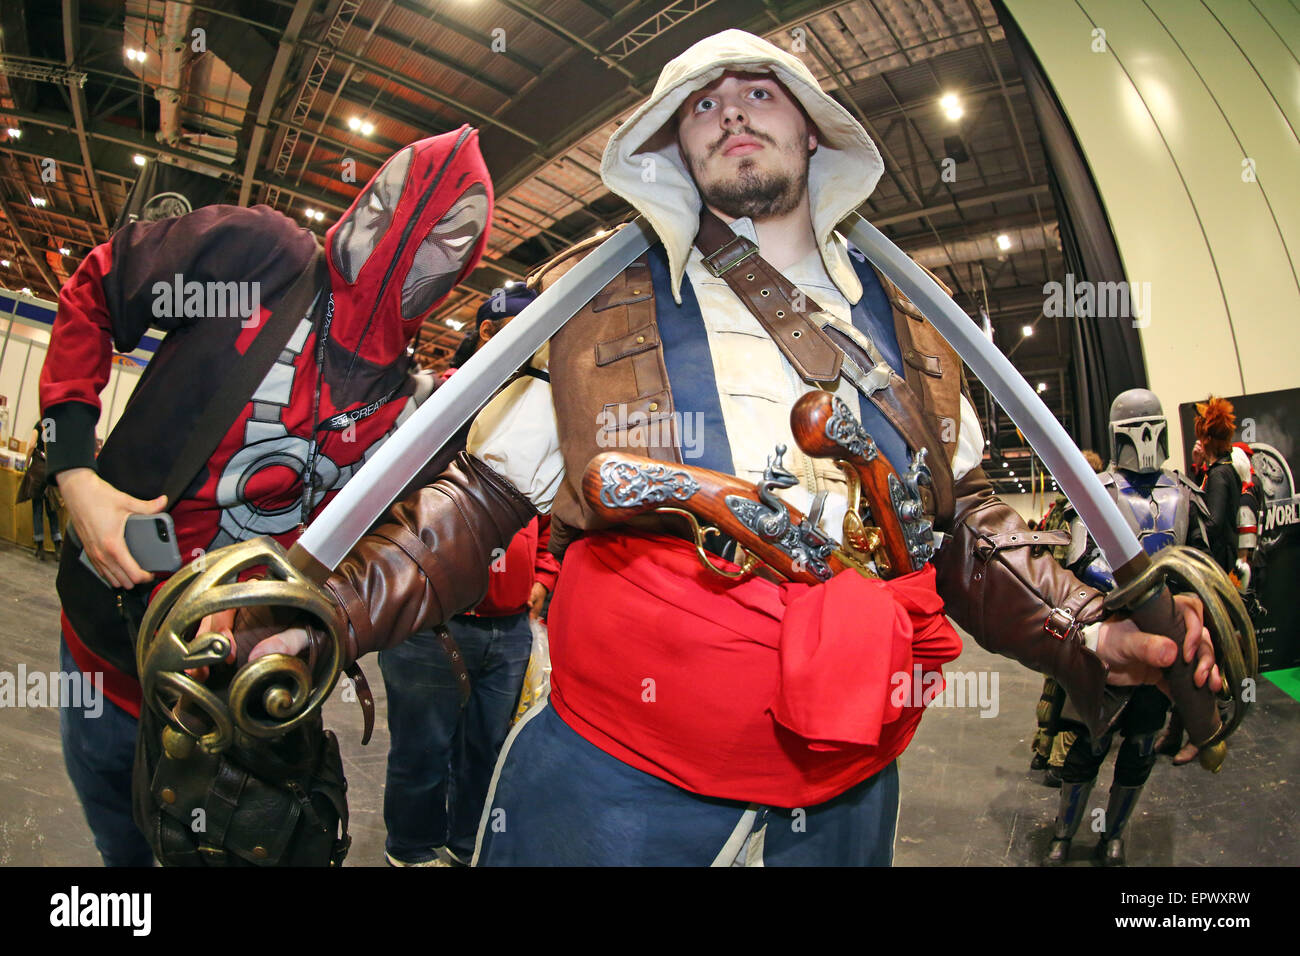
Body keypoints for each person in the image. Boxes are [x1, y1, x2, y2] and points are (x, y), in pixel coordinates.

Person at [223, 30, 1217, 866]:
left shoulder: (912, 325)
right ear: (671, 145)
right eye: (703, 107)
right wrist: (329, 615)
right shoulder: (592, 298)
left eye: (757, 93)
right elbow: (475, 506)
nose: (733, 115)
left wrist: (1085, 631)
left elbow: (956, 533)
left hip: (847, 790)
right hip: (616, 788)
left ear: (811, 124)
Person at [38, 128, 493, 866]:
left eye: (448, 238)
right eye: (401, 209)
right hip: (111, 645)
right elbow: (99, 285)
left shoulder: (409, 408)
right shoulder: (256, 259)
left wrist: (326, 628)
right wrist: (73, 470)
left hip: (243, 697)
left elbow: (416, 550)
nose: (410, 242)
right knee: (121, 850)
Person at [380, 284, 560, 867]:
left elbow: (551, 508)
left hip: (506, 628)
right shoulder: (447, 398)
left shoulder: (543, 410)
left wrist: (544, 572)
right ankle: (410, 850)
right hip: (432, 623)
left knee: (488, 750)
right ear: (488, 332)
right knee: (422, 750)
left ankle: (467, 844)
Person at [1043, 389, 1211, 865]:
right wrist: (1136, 589)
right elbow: (1077, 560)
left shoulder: (1183, 493)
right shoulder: (1098, 491)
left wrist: (1178, 594)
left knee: (1139, 748)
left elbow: (1200, 561)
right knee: (1088, 745)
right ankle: (1064, 834)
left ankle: (1112, 835)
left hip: (1163, 645)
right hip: (1108, 639)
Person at [23, 421, 63, 560]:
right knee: (52, 510)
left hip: (38, 472)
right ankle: (58, 546)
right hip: (51, 471)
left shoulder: (40, 425)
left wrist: (26, 464)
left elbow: (32, 445)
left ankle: (40, 547)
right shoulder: (57, 425)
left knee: (37, 508)